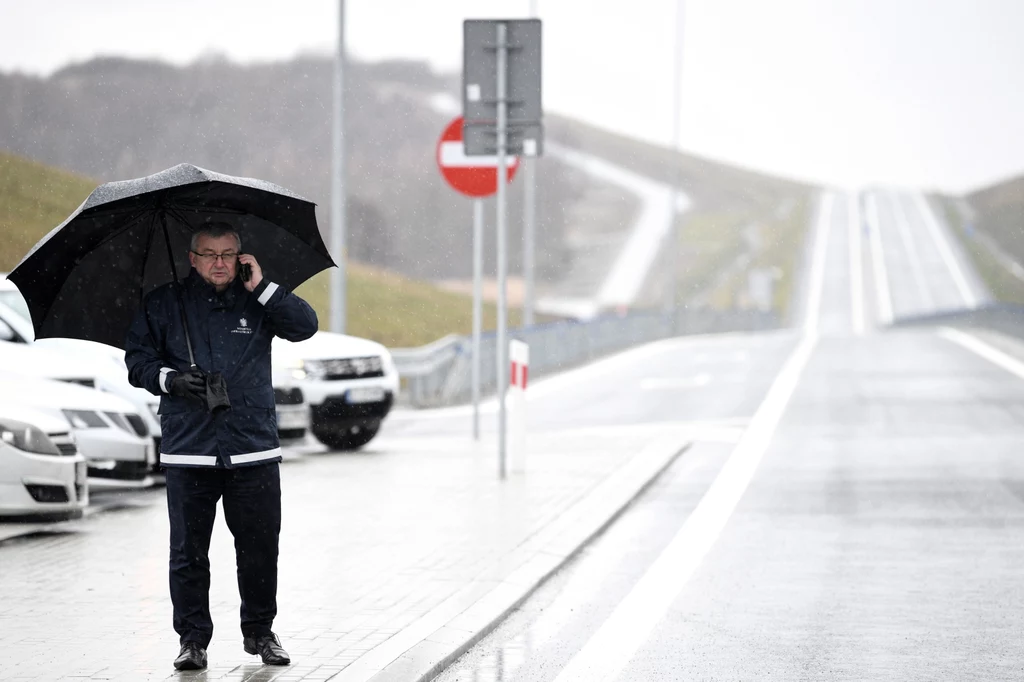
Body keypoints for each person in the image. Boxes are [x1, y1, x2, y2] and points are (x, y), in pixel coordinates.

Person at [125, 222, 318, 671]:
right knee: (188, 553)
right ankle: (192, 640)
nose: (218, 263)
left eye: (228, 254)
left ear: (241, 258)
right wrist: (170, 380)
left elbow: (305, 326)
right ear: (192, 258)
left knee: (259, 548)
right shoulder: (163, 303)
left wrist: (265, 286)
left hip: (252, 448)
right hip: (188, 449)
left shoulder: (258, 298)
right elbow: (137, 361)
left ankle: (261, 632)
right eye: (209, 254)